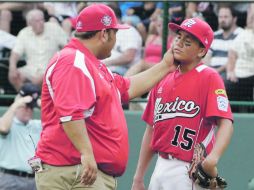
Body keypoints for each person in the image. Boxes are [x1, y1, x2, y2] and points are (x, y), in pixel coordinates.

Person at [34, 3, 176, 190]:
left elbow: (127, 88)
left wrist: (166, 65)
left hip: (82, 171)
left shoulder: (91, 64)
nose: (116, 38)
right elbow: (70, 114)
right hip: (75, 171)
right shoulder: (73, 61)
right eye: (115, 33)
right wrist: (86, 153)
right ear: (104, 34)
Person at [131, 17, 234, 190]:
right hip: (160, 165)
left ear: (201, 51)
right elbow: (151, 130)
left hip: (187, 169)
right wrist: (138, 176)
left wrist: (212, 159)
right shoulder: (162, 77)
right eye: (178, 37)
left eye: (187, 42)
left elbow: (226, 123)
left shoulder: (209, 76)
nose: (178, 43)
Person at [8, 9, 68, 91]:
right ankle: (28, 96)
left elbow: (68, 46)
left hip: (50, 68)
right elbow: (15, 53)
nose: (41, 23)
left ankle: (31, 96)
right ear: (29, 23)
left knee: (39, 80)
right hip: (31, 68)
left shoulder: (54, 28)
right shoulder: (24, 33)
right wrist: (12, 67)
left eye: (42, 19)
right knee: (14, 76)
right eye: (37, 21)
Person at [0, 82, 42, 190]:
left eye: (31, 108)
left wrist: (43, 105)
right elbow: (3, 128)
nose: (28, 110)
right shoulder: (8, 122)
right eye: (25, 107)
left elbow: (33, 154)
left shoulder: (36, 125)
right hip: (10, 177)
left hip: (33, 179)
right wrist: (18, 103)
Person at [225, 3, 254, 108]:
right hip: (239, 75)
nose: (251, 17)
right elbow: (232, 55)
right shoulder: (242, 34)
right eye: (250, 12)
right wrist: (230, 71)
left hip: (252, 75)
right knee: (225, 86)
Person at [204, 4, 243, 80]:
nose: (222, 20)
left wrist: (216, 71)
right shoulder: (214, 35)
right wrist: (207, 71)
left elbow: (235, 59)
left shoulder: (241, 35)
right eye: (220, 17)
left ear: (234, 19)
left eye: (226, 17)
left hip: (228, 73)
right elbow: (206, 57)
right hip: (211, 72)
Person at [102, 5, 142, 76]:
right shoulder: (108, 31)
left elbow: (128, 57)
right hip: (108, 69)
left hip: (123, 70)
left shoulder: (129, 31)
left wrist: (106, 63)